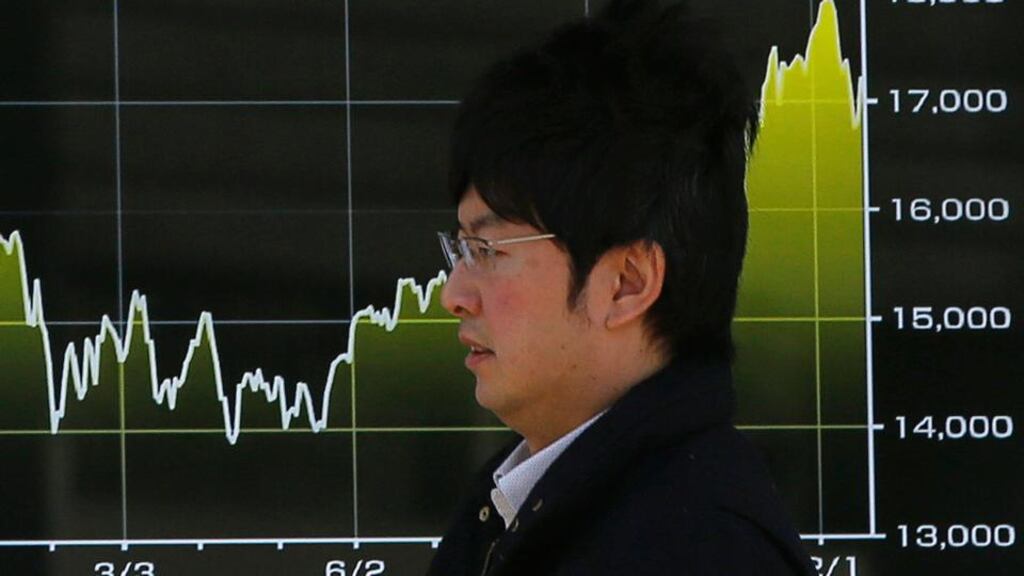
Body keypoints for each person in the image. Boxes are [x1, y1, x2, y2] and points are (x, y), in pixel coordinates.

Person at [428, 0, 815, 574]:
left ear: (627, 284)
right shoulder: (532, 508)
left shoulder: (698, 550)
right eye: (461, 248)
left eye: (488, 251)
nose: (453, 294)